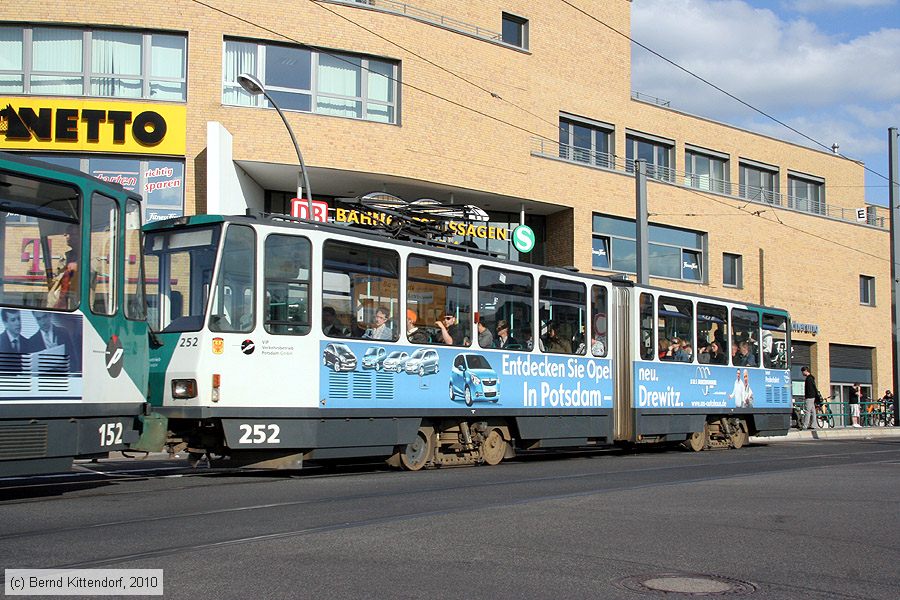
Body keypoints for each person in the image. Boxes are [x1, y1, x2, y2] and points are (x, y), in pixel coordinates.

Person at [49, 224, 80, 310]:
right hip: (57, 307)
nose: (67, 237)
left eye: (70, 234)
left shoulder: (90, 258)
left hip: (74, 308)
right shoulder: (66, 256)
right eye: (66, 234)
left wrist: (79, 266)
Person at [801, 366, 820, 430]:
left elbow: (809, 389)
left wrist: (806, 397)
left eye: (802, 372)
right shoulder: (812, 378)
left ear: (806, 371)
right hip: (813, 397)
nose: (802, 373)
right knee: (813, 411)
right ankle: (814, 425)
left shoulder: (808, 379)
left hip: (809, 397)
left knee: (807, 411)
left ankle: (805, 425)